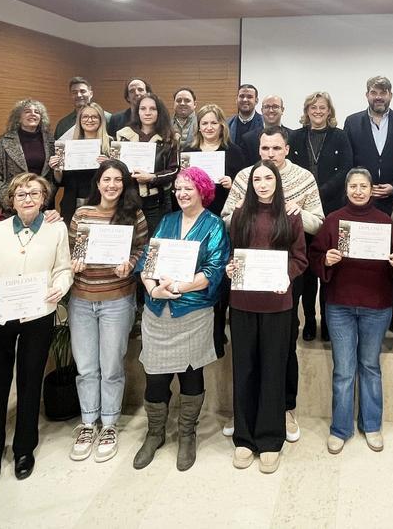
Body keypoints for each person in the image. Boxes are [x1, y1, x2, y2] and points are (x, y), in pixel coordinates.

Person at [0, 173, 71, 484]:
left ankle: (25, 447)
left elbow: (63, 268)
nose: (28, 199)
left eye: (34, 194)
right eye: (21, 194)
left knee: (29, 380)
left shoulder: (56, 229)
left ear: (43, 198)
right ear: (11, 199)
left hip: (38, 314)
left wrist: (60, 286)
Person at [223, 126, 324, 442]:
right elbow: (227, 218)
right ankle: (247, 412)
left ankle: (284, 408)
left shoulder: (304, 178)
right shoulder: (244, 177)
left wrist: (296, 211)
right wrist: (242, 210)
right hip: (247, 283)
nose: (269, 154)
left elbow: (318, 222)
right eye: (264, 149)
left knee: (283, 347)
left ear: (287, 150)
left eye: (275, 149)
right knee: (248, 354)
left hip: (285, 273)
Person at [133, 166, 229, 472]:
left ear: (203, 191)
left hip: (193, 311)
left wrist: (180, 287)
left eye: (188, 188)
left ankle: (187, 434)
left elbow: (215, 270)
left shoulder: (214, 225)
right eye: (177, 189)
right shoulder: (167, 221)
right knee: (155, 375)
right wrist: (153, 289)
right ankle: (154, 433)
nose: (182, 193)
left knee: (191, 375)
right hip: (157, 310)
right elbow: (150, 258)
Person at [310, 169, 393, 454]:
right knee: (343, 370)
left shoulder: (385, 222)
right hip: (340, 305)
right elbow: (315, 255)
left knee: (370, 366)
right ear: (347, 189)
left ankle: (372, 424)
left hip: (376, 306)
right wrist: (325, 258)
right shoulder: (334, 219)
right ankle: (340, 428)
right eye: (354, 186)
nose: (359, 191)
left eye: (364, 186)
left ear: (372, 189)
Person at [225, 162, 308, 473]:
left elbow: (300, 258)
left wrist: (282, 274)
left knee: (273, 370)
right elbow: (234, 254)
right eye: (256, 179)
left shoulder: (291, 215)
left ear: (277, 182)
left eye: (268, 178)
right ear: (250, 183)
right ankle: (244, 439)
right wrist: (230, 267)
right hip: (243, 301)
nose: (262, 184)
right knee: (244, 368)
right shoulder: (239, 215)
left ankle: (271, 438)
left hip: (277, 302)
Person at [66, 160, 149, 465]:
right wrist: (74, 261)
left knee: (111, 365)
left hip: (117, 298)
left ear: (124, 184)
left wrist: (130, 262)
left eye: (117, 180)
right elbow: (73, 248)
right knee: (86, 366)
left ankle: (110, 424)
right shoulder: (81, 213)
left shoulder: (133, 215)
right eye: (106, 179)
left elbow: (142, 249)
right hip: (82, 300)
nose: (111, 185)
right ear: (97, 183)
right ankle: (88, 423)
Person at [182, 103, 246, 358]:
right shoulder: (188, 152)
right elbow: (182, 187)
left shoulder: (235, 152)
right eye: (204, 123)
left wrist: (232, 185)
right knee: (198, 272)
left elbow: (245, 190)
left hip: (224, 221)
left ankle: (219, 332)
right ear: (199, 127)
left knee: (221, 275)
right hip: (196, 222)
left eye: (213, 122)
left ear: (222, 125)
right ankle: (199, 331)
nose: (209, 127)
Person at [288, 91, 352, 341]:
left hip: (332, 208)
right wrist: (306, 196)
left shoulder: (340, 136)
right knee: (305, 273)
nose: (317, 111)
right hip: (301, 212)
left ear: (329, 111)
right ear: (306, 111)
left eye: (322, 107)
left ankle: (326, 321)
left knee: (328, 268)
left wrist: (319, 191)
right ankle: (309, 320)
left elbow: (346, 168)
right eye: (312, 107)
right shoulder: (295, 136)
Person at [343, 75, 393, 213]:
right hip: (362, 198)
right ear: (367, 95)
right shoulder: (352, 122)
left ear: (390, 95)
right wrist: (364, 187)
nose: (378, 97)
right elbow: (347, 161)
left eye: (383, 92)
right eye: (374, 92)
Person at [115, 93, 180, 232]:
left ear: (159, 112)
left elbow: (175, 170)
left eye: (152, 109)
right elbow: (116, 167)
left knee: (155, 243)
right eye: (143, 108)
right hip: (128, 198)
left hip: (158, 201)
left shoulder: (169, 138)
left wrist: (152, 177)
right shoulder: (124, 135)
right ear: (137, 112)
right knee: (130, 240)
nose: (147, 112)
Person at [0, 99, 57, 213]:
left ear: (41, 118)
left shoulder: (51, 142)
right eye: (27, 111)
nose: (33, 114)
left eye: (37, 112)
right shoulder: (4, 141)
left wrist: (43, 200)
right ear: (18, 117)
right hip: (10, 208)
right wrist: (12, 202)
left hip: (41, 206)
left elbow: (54, 177)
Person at [51, 102, 110, 223]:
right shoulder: (68, 146)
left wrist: (109, 165)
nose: (89, 120)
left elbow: (120, 178)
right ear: (79, 120)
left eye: (94, 117)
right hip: (71, 204)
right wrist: (57, 169)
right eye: (85, 117)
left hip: (102, 204)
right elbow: (61, 181)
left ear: (101, 120)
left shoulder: (110, 145)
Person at [239, 94, 287, 162]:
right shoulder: (248, 139)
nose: (271, 110)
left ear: (282, 110)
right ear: (261, 110)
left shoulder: (293, 137)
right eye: (267, 107)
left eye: (275, 107)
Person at [227, 83, 263, 151]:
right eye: (241, 96)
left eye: (249, 97)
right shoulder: (226, 124)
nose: (245, 100)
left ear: (256, 101)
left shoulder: (264, 123)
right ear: (236, 100)